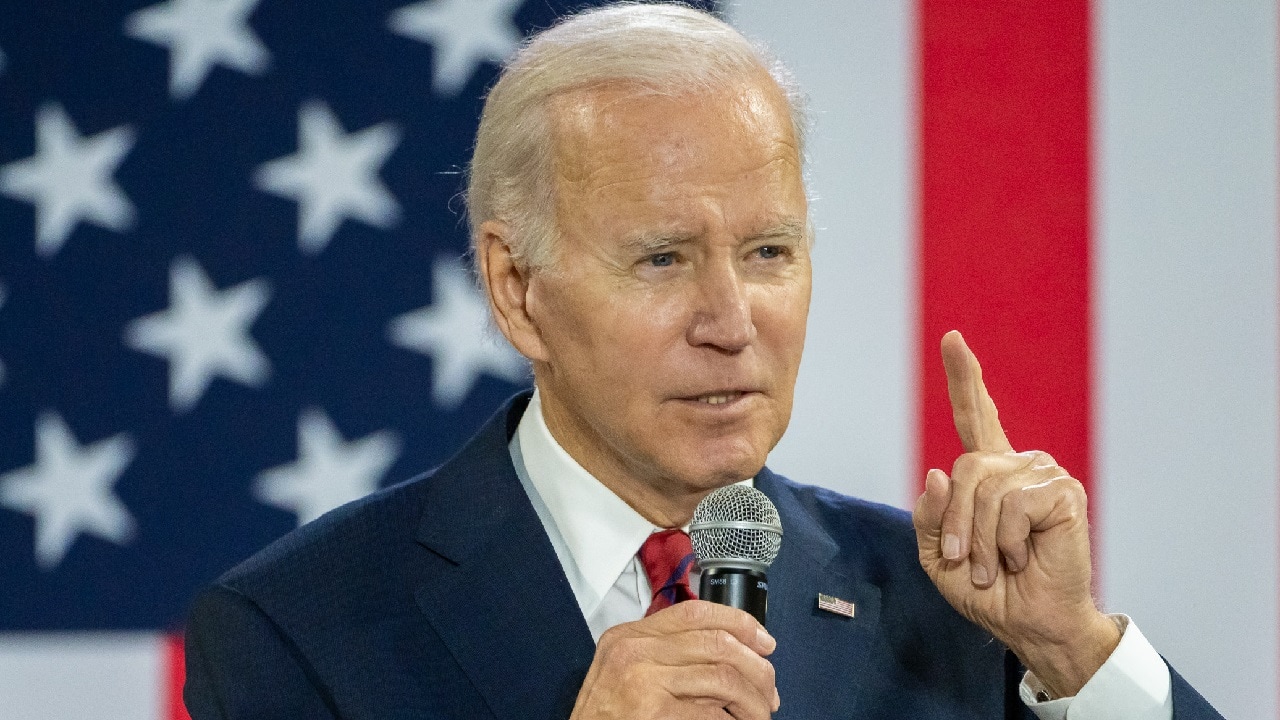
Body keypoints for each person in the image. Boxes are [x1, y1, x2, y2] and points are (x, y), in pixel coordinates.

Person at [183, 4, 1223, 719]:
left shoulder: (944, 611)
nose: (730, 320)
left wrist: (1073, 654)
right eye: (661, 258)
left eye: (767, 252)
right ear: (517, 288)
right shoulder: (302, 630)